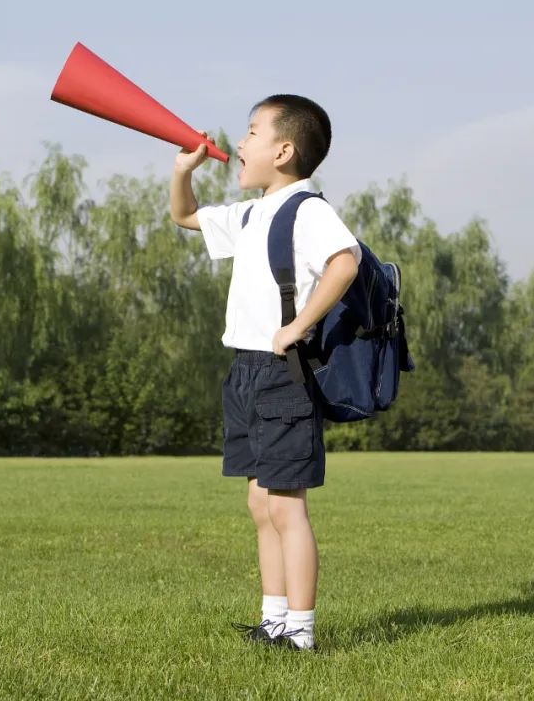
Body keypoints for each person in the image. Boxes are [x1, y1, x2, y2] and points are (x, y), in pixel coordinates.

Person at [169, 94, 361, 652]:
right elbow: (184, 216)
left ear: (283, 150)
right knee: (260, 502)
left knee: (286, 503)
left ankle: (299, 632)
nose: (241, 141)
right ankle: (273, 620)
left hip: (282, 372)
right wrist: (184, 171)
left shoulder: (307, 209)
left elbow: (344, 262)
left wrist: (298, 324)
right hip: (245, 371)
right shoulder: (252, 213)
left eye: (252, 132)